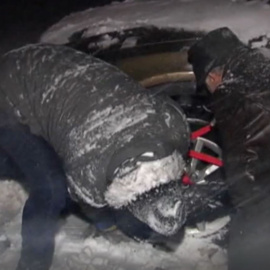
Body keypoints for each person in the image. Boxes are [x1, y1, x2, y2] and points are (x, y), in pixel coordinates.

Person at [0, 44, 191, 270]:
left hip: (57, 70)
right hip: (12, 89)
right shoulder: (88, 166)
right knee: (51, 187)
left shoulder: (176, 127)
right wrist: (106, 220)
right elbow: (88, 196)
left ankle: (110, 224)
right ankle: (32, 263)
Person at [188, 27, 270, 270]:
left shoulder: (236, 101)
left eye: (206, 86)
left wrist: (245, 223)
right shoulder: (260, 69)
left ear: (214, 77)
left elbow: (243, 173)